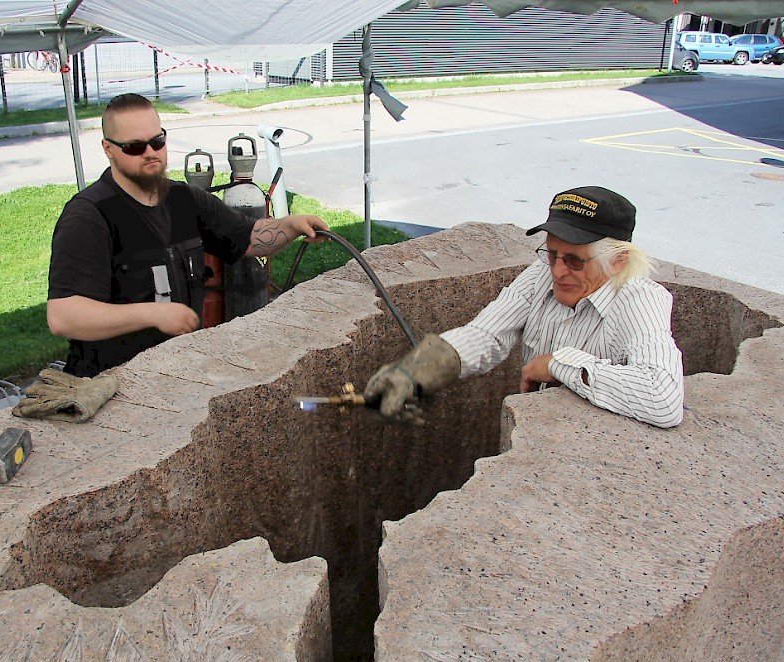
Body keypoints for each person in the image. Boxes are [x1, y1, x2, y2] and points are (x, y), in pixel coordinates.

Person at [46, 93, 328, 377]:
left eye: (157, 141)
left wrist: (291, 225)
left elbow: (250, 237)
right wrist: (151, 313)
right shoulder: (89, 216)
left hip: (176, 372)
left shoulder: (183, 199)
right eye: (134, 147)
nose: (150, 153)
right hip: (110, 382)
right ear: (108, 148)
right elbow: (63, 316)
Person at [364, 186, 685, 429]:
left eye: (574, 260)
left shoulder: (640, 299)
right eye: (552, 253)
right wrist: (413, 372)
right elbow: (486, 335)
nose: (558, 271)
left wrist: (561, 365)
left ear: (618, 261)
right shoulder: (542, 274)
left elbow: (663, 398)